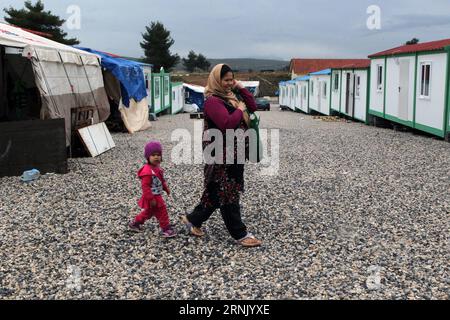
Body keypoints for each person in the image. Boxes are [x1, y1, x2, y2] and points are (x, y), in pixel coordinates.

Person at [181, 64, 262, 247]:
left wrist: (241, 88)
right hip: (221, 156)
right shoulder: (213, 101)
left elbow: (253, 106)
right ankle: (240, 233)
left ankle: (192, 219)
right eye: (225, 80)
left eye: (231, 79)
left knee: (215, 192)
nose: (228, 83)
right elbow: (226, 124)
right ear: (216, 80)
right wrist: (240, 111)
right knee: (229, 194)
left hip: (235, 152)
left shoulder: (232, 97)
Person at [129, 141, 176, 238]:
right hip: (152, 197)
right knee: (162, 211)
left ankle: (135, 223)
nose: (156, 157)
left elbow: (161, 180)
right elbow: (145, 187)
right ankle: (166, 228)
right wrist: (151, 199)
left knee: (148, 212)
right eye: (153, 155)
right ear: (148, 157)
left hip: (156, 195)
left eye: (158, 155)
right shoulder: (147, 172)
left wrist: (165, 188)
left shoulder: (157, 168)